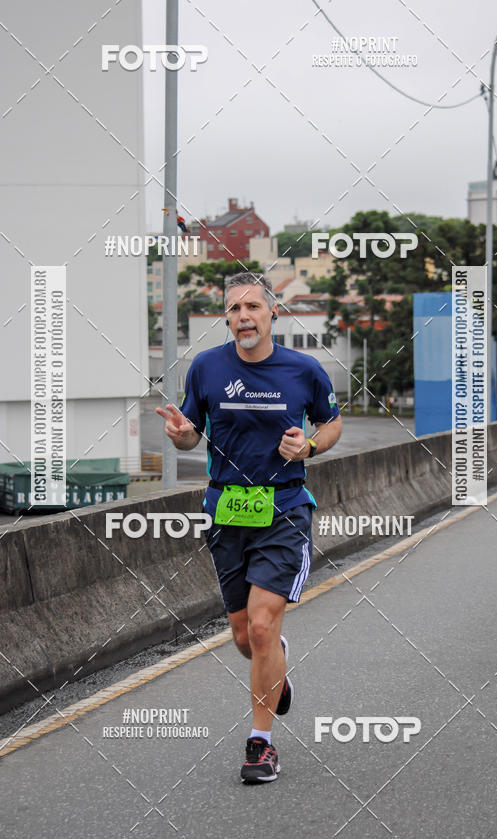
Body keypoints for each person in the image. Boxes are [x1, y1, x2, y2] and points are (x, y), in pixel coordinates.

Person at [156, 272, 342, 782]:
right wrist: (180, 434)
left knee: (261, 625)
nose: (243, 317)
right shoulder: (207, 367)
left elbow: (331, 422)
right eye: (234, 309)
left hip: (283, 510)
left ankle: (261, 744)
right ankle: (274, 662)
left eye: (252, 307)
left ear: (272, 312)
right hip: (227, 513)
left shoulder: (303, 369)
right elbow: (190, 435)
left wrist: (308, 446)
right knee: (243, 636)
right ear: (227, 317)